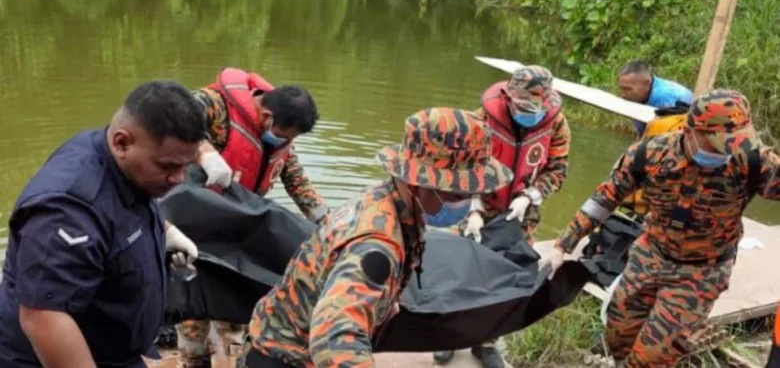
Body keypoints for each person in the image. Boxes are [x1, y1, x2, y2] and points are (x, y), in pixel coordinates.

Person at [237, 107, 514, 368]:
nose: (466, 203)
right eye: (458, 194)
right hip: (286, 358)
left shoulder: (385, 198)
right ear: (418, 184)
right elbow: (335, 338)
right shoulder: (377, 245)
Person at [542, 89, 780, 368]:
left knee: (652, 358)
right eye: (720, 143)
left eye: (736, 141)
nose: (730, 150)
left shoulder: (753, 161)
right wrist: (562, 247)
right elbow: (604, 199)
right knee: (618, 333)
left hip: (702, 270)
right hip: (650, 255)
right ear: (690, 131)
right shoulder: (649, 155)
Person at [0, 80, 206, 368]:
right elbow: (43, 317)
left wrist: (165, 229)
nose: (179, 179)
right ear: (122, 142)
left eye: (187, 166)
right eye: (168, 166)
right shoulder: (67, 210)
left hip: (116, 352)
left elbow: (123, 206)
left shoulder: (124, 163)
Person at [177, 67, 329, 368]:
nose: (282, 142)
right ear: (268, 117)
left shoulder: (281, 140)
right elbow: (173, 119)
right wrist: (204, 151)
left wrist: (325, 220)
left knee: (237, 308)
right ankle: (194, 361)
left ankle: (234, 355)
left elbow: (296, 179)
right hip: (194, 227)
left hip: (238, 230)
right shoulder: (214, 105)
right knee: (193, 313)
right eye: (283, 135)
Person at [432, 66, 571, 368]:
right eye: (521, 104)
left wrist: (530, 196)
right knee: (463, 271)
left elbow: (558, 169)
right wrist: (473, 208)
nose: (528, 111)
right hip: (480, 204)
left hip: (522, 212)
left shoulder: (556, 124)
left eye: (534, 106)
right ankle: (449, 337)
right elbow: (462, 167)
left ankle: (486, 342)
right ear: (509, 96)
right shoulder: (482, 119)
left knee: (508, 276)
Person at [617, 60, 693, 136]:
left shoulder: (662, 97)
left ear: (646, 83)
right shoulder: (646, 91)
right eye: (622, 89)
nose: (623, 94)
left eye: (628, 89)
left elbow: (668, 135)